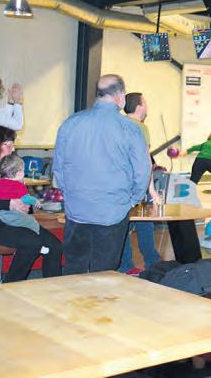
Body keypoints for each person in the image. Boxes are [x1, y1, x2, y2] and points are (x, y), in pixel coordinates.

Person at [53, 75, 151, 275]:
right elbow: (143, 170)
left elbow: (58, 167)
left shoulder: (71, 123)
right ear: (120, 96)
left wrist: (71, 194)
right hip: (111, 211)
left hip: (77, 211)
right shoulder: (130, 128)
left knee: (74, 269)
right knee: (104, 274)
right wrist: (133, 199)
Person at [0, 125, 61, 282]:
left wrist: (23, 204)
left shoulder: (9, 166)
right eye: (9, 145)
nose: (13, 149)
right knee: (32, 243)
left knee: (55, 246)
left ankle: (52, 288)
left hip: (15, 219)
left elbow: (22, 196)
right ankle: (11, 285)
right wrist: (9, 204)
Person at [119, 92, 160, 274]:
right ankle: (152, 263)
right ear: (139, 106)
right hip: (137, 185)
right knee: (145, 223)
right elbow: (145, 161)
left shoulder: (119, 123)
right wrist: (152, 190)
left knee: (124, 225)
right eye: (146, 103)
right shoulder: (140, 127)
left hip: (120, 185)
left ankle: (125, 266)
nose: (147, 106)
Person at [0, 153, 42, 235]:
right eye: (23, 171)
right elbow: (26, 199)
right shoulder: (19, 186)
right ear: (18, 174)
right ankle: (37, 236)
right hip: (14, 216)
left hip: (0, 215)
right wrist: (35, 201)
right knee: (32, 222)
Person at [181, 130, 211, 201]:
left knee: (193, 180)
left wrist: (183, 153)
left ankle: (185, 197)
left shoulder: (206, 143)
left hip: (199, 161)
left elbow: (194, 148)